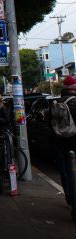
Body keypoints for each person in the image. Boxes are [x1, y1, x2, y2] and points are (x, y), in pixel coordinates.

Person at [49, 75, 76, 205]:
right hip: (74, 140)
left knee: (65, 172)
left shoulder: (55, 103)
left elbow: (51, 124)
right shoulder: (74, 101)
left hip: (60, 141)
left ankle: (70, 198)